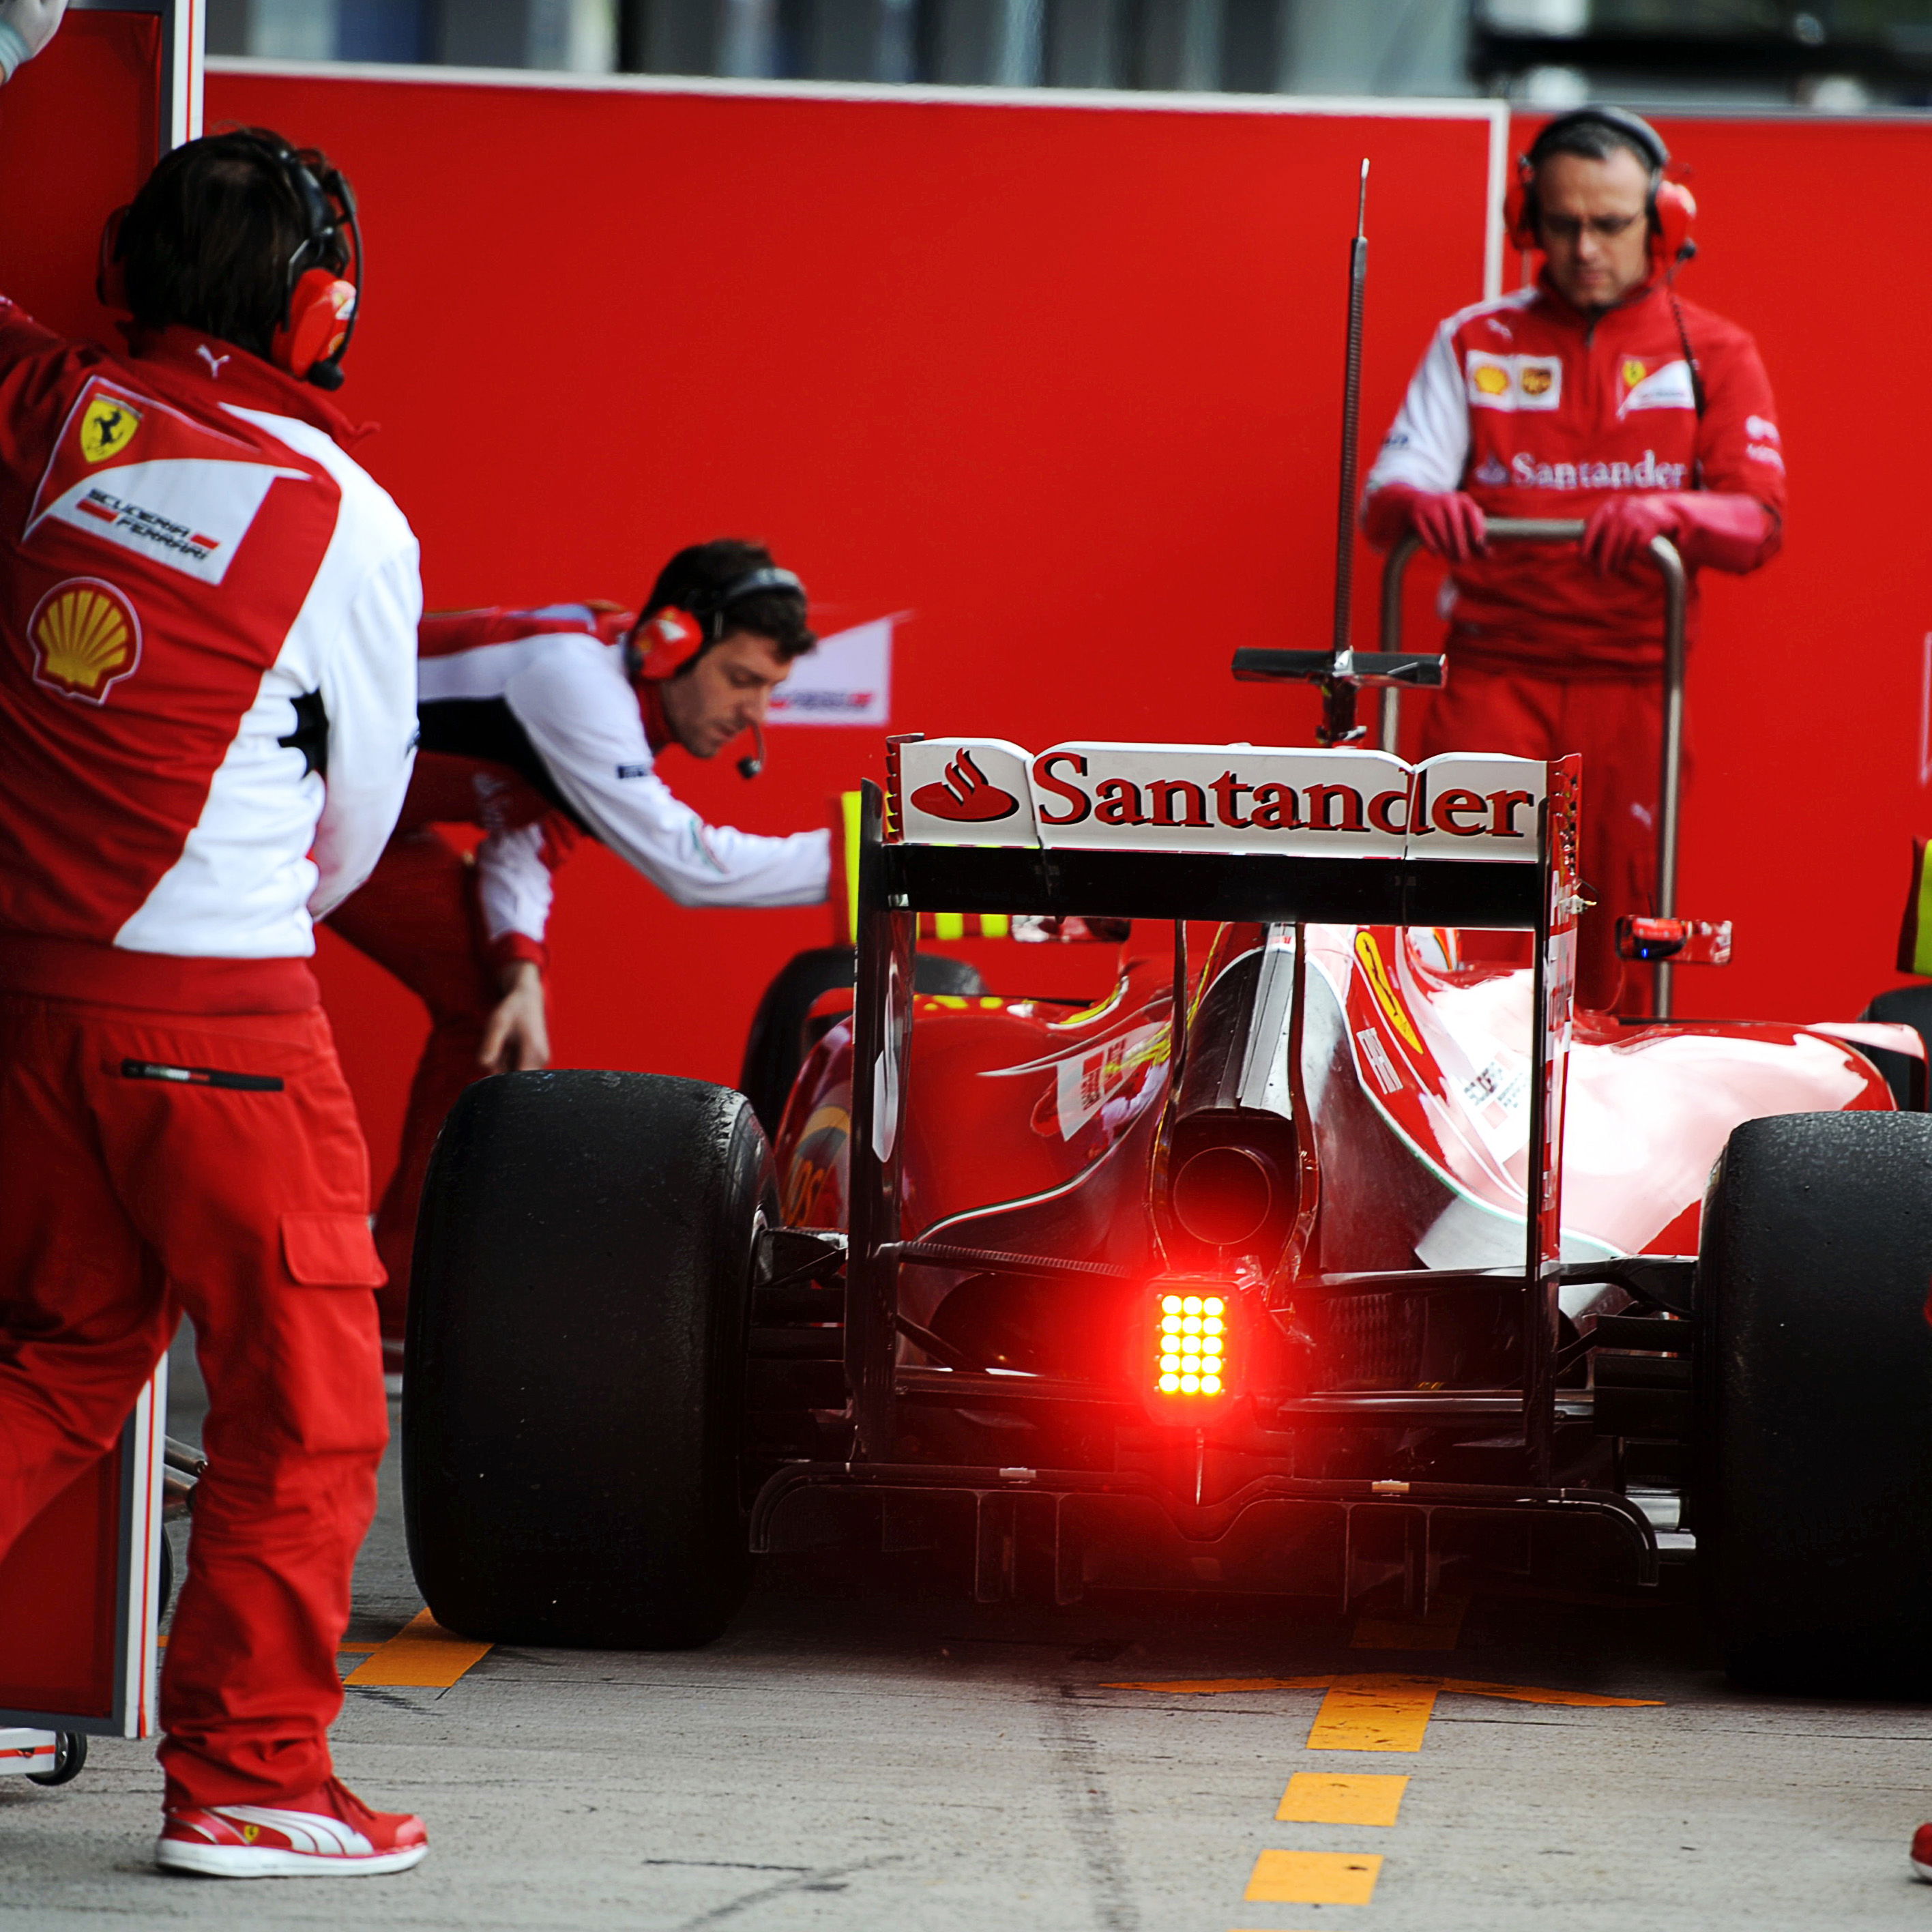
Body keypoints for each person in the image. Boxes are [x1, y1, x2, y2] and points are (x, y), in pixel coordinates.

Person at [0, 22, 430, 1878]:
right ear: (325, 316)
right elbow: (368, 811)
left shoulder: (35, 419)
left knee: (58, 1357)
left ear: (116, 273)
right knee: (313, 1404)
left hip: (30, 995)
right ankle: (253, 1778)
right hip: (223, 1014)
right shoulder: (347, 518)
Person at [326, 538, 830, 1340]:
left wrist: (519, 967)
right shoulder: (573, 680)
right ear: (673, 643)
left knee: (494, 1003)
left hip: (351, 822)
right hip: (270, 803)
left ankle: (404, 1296)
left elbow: (522, 838)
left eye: (770, 690)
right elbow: (694, 868)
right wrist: (866, 855)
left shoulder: (610, 687)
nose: (754, 715)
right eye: (743, 681)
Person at [1360, 105, 1785, 1012]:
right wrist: (1423, 502)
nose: (1585, 247)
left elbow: (1758, 522)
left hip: (1634, 690)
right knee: (1460, 929)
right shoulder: (1474, 340)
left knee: (1618, 933)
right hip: (1488, 681)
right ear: (1528, 222)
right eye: (1563, 223)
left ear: (1664, 222)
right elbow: (1387, 494)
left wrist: (1672, 508)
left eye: (1610, 224)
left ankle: (1604, 1140)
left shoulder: (1716, 351)